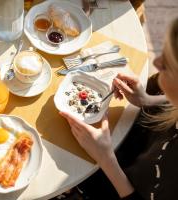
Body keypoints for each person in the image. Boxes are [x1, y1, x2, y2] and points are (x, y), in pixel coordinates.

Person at [59, 18, 178, 200]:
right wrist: (148, 100)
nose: (157, 62)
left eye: (168, 64)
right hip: (119, 146)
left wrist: (106, 159)